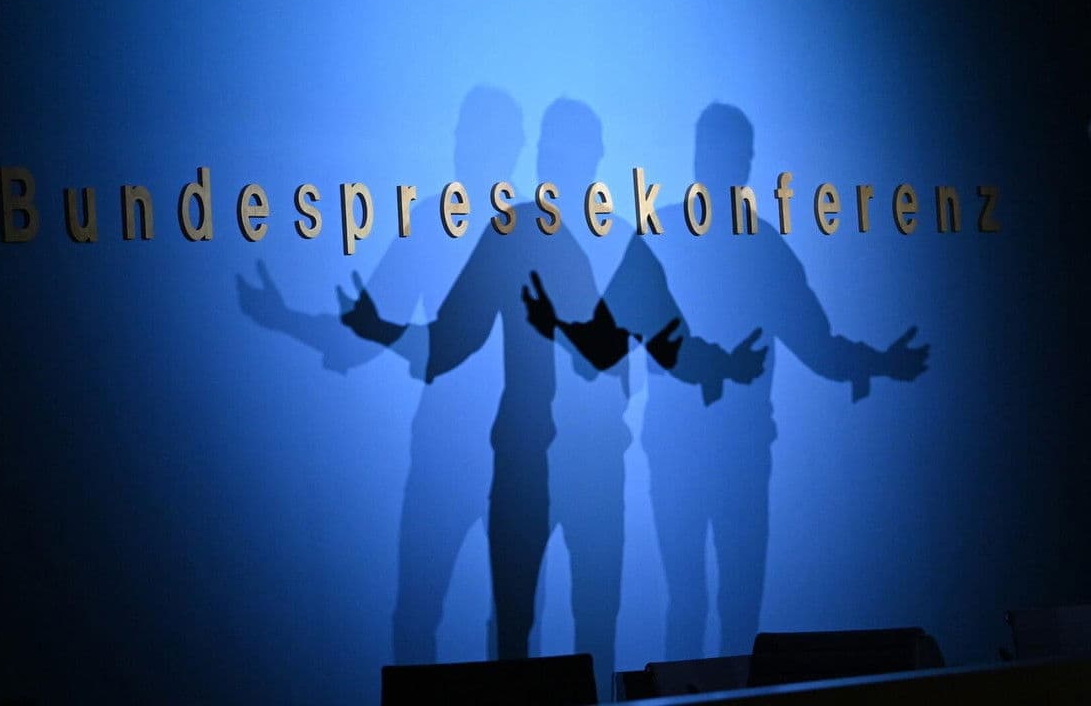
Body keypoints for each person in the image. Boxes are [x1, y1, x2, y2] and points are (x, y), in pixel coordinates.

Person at [525, 102, 930, 659]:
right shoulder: (710, 240)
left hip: (723, 451)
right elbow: (606, 340)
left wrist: (876, 363)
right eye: (714, 152)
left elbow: (815, 343)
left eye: (726, 153)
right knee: (708, 605)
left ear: (740, 162)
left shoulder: (720, 241)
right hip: (697, 451)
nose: (719, 164)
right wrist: (878, 363)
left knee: (716, 606)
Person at [342, 98, 659, 698]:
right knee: (516, 629)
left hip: (581, 462)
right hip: (526, 460)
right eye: (547, 148)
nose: (551, 161)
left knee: (587, 624)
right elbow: (454, 337)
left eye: (565, 149)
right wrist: (381, 330)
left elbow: (640, 355)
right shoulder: (513, 233)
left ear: (595, 157)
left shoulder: (616, 240)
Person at [237, 86, 518, 665]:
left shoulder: (510, 230)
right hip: (466, 450)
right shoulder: (446, 224)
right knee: (442, 614)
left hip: (498, 449)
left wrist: (288, 321)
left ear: (508, 149)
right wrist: (286, 320)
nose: (463, 145)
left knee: (466, 616)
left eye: (476, 134)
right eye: (463, 132)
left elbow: (367, 335)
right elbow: (363, 335)